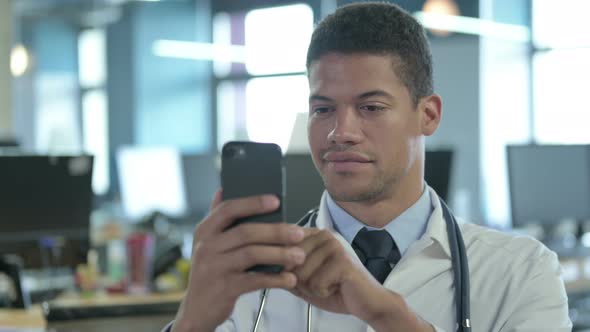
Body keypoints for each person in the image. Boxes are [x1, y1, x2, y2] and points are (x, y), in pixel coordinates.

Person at [166, 2, 571, 331]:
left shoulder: (521, 271)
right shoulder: (251, 273)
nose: (340, 132)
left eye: (371, 107)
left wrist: (388, 317)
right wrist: (191, 322)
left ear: (428, 115)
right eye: (323, 109)